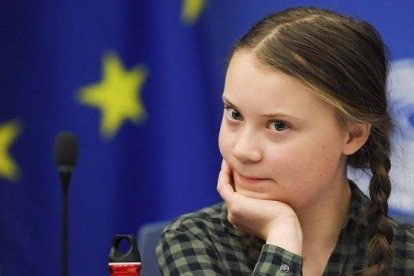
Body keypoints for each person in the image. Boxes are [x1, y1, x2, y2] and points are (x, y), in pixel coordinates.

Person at [156, 7, 414, 275]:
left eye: (278, 126)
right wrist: (282, 237)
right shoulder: (194, 240)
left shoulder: (407, 255)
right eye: (234, 114)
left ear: (353, 135)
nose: (243, 150)